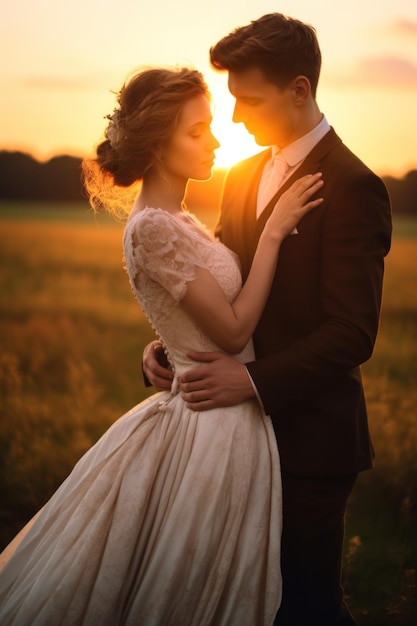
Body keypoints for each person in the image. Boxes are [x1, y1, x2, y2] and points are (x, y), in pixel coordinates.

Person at [0, 67, 324, 625]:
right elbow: (231, 333)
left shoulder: (183, 221)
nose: (216, 142)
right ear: (156, 141)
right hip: (210, 424)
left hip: (226, 414)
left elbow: (188, 317)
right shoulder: (153, 227)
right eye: (197, 132)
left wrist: (164, 346)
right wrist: (272, 236)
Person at [142, 14, 393, 626]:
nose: (234, 120)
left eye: (248, 101)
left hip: (311, 442)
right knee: (233, 603)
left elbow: (352, 333)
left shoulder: (355, 185)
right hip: (228, 441)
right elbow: (220, 290)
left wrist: (251, 382)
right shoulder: (244, 175)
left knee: (304, 606)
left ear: (300, 90)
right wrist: (168, 348)